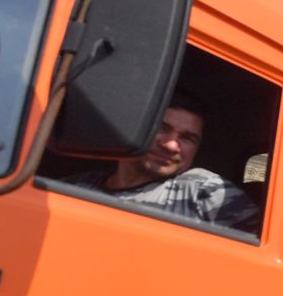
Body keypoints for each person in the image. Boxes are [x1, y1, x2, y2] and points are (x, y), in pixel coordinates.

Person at [66, 90, 259, 231]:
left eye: (187, 138)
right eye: (162, 128)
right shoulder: (77, 187)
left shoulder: (204, 191)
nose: (171, 145)